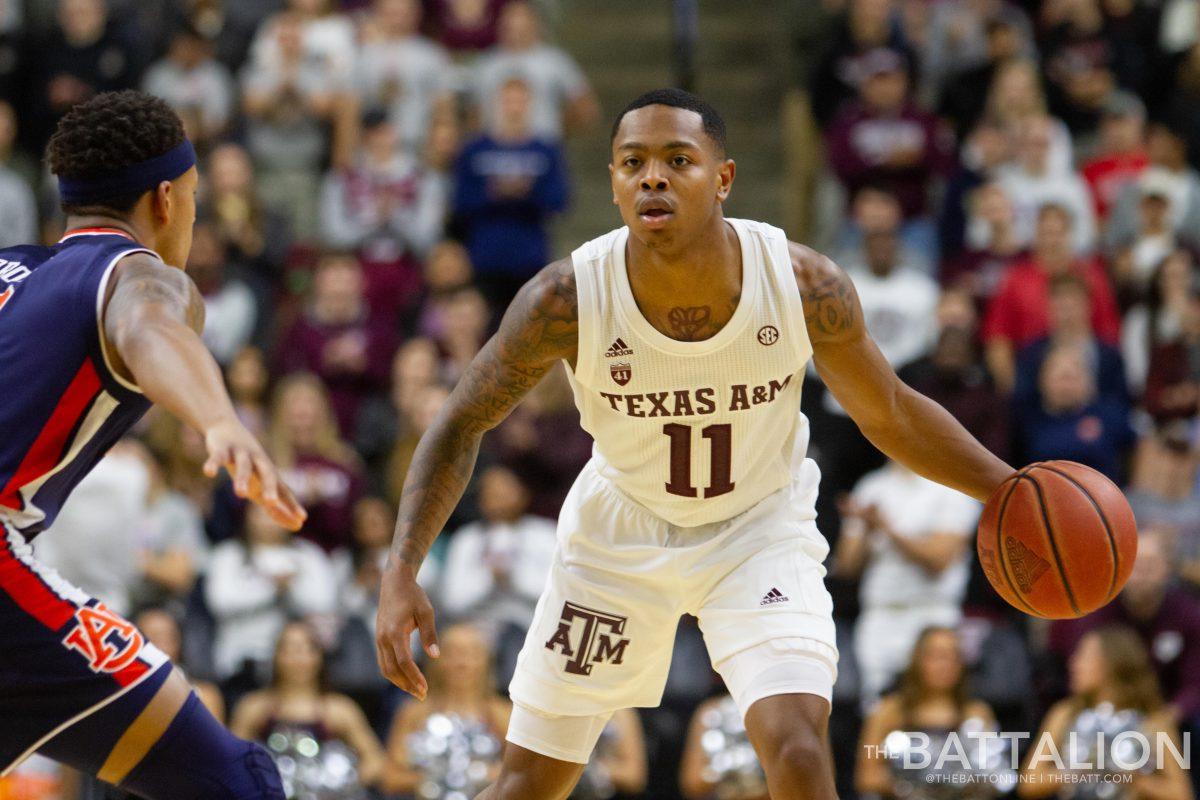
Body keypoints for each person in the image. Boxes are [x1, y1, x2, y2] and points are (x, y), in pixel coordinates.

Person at [374, 88, 1014, 799]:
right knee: (528, 783)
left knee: (800, 750)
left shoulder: (804, 285)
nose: (652, 177)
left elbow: (890, 412)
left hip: (757, 528)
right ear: (614, 184)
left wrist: (1008, 489)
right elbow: (459, 423)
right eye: (632, 163)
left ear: (724, 179)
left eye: (678, 160)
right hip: (619, 536)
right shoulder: (565, 300)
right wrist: (401, 565)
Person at [0, 90, 305, 798]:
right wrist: (220, 419)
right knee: (238, 783)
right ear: (166, 200)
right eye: (196, 198)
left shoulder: (13, 269)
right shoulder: (132, 272)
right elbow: (150, 327)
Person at [833, 463, 980, 705]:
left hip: (932, 614)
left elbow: (939, 559)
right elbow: (847, 566)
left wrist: (887, 528)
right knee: (877, 705)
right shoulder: (872, 486)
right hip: (879, 616)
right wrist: (866, 529)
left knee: (933, 702)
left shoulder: (951, 485)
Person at [1020, 626, 1192, 800]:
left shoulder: (1153, 722)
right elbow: (1028, 783)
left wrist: (1133, 778)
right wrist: (1080, 769)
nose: (1073, 663)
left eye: (1084, 656)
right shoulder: (1065, 713)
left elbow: (1182, 794)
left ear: (1112, 662)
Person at [230, 620, 387, 793]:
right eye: (290, 649)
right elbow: (231, 761)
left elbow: (375, 761)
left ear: (319, 656)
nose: (298, 658)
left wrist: (340, 784)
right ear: (276, 655)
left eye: (307, 649)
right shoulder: (253, 707)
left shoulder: (340, 709)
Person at [856, 627, 996, 797]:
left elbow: (994, 773)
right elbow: (866, 777)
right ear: (918, 659)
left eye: (954, 656)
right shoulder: (888, 711)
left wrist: (958, 783)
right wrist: (912, 786)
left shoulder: (976, 712)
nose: (946, 664)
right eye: (937, 656)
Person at [384, 623, 511, 796]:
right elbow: (391, 779)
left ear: (487, 660)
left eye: (472, 652)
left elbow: (522, 774)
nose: (462, 660)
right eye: (452, 652)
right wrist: (439, 780)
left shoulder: (503, 714)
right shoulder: (413, 713)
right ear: (435, 658)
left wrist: (480, 775)